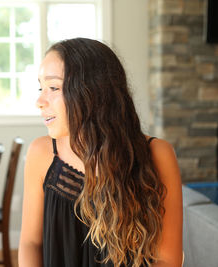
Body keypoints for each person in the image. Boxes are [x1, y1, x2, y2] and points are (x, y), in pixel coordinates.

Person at [19, 38, 183, 267]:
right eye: (41, 88)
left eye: (53, 87)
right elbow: (30, 244)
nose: (39, 101)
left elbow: (168, 259)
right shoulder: (42, 154)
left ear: (91, 92)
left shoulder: (158, 154)